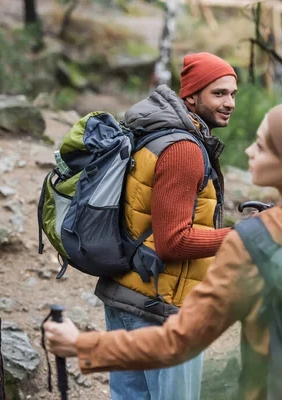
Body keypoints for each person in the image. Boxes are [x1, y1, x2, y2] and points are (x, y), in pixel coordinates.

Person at [45, 102, 282, 400]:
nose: (249, 150)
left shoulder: (254, 242)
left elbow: (178, 341)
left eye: (262, 146)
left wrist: (79, 344)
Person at [91, 52, 238, 400]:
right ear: (191, 96)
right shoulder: (183, 149)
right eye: (218, 93)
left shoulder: (155, 134)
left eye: (233, 93)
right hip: (159, 310)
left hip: (130, 296)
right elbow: (173, 242)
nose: (230, 102)